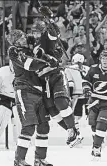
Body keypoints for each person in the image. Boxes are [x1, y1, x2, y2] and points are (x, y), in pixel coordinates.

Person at [7, 29, 56, 166]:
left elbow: (46, 47)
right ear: (15, 41)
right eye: (21, 37)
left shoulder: (31, 48)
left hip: (39, 91)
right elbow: (30, 65)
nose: (24, 38)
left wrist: (50, 59)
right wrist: (47, 62)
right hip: (24, 90)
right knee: (28, 127)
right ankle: (19, 161)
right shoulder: (13, 51)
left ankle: (40, 159)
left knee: (43, 127)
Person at [31, 18, 79, 147]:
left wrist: (50, 19)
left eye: (38, 32)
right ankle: (72, 131)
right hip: (42, 80)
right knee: (52, 110)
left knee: (60, 102)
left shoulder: (46, 38)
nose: (36, 35)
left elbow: (54, 33)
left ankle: (72, 130)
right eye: (34, 32)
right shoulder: (31, 43)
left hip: (55, 75)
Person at [64, 53, 90, 147]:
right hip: (88, 95)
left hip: (76, 95)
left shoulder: (68, 68)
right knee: (92, 116)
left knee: (73, 118)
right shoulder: (88, 68)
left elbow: (70, 84)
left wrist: (70, 96)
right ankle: (100, 139)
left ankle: (76, 137)